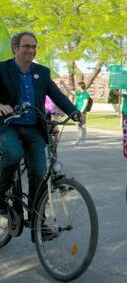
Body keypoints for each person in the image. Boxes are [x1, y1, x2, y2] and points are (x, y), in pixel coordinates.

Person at [0, 31, 83, 215]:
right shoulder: (2, 69)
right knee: (13, 153)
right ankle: (1, 192)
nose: (31, 50)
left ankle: (38, 221)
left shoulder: (42, 72)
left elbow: (57, 96)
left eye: (34, 46)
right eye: (27, 46)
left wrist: (74, 112)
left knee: (39, 173)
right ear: (15, 49)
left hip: (33, 128)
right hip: (8, 126)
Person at [73, 81, 90, 146]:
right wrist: (64, 85)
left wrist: (81, 111)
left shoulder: (85, 94)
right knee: (78, 126)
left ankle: (83, 140)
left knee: (82, 125)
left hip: (82, 112)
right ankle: (79, 139)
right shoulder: (78, 93)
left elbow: (85, 104)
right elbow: (70, 92)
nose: (77, 87)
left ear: (80, 86)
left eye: (77, 86)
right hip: (77, 111)